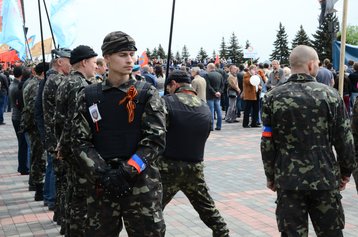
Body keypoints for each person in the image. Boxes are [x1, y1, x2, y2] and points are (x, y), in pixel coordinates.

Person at [70, 31, 166, 236]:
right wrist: (104, 174)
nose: (130, 60)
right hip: (102, 187)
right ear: (106, 58)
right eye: (123, 54)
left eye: (132, 54)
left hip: (141, 187)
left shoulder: (147, 93)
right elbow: (79, 142)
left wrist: (126, 172)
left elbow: (155, 141)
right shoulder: (88, 96)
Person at [261, 45, 357, 237]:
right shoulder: (330, 95)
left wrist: (271, 175)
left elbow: (267, 142)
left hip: (288, 180)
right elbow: (344, 139)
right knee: (331, 232)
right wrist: (346, 171)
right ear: (312, 65)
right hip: (325, 178)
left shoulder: (273, 97)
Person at [159, 69, 230, 237]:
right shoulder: (204, 106)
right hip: (195, 167)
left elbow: (157, 134)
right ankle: (223, 233)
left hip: (167, 168)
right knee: (207, 209)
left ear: (174, 84)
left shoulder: (166, 102)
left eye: (169, 87)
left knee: (153, 211)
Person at [55, 45, 98, 236]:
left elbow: (59, 119)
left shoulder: (65, 82)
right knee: (81, 201)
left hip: (68, 147)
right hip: (78, 150)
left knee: (72, 195)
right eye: (94, 63)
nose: (96, 67)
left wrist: (61, 145)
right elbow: (74, 121)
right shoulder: (80, 86)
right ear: (84, 62)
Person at [22, 62, 49, 201]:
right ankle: (38, 187)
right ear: (44, 73)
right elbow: (34, 108)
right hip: (35, 125)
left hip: (31, 124)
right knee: (38, 157)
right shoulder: (36, 85)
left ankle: (34, 183)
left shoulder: (31, 82)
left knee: (35, 155)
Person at [9, 65, 29, 175]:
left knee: (22, 143)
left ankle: (22, 166)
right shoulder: (17, 87)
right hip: (18, 117)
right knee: (22, 144)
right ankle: (23, 167)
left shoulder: (14, 85)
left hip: (15, 116)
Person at [205, 63, 224, 131]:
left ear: (209, 68)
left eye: (207, 68)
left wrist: (214, 92)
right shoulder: (220, 75)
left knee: (211, 111)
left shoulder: (207, 75)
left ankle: (211, 126)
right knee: (219, 111)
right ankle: (219, 126)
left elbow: (208, 86)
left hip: (210, 96)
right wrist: (219, 92)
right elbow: (222, 85)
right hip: (217, 96)